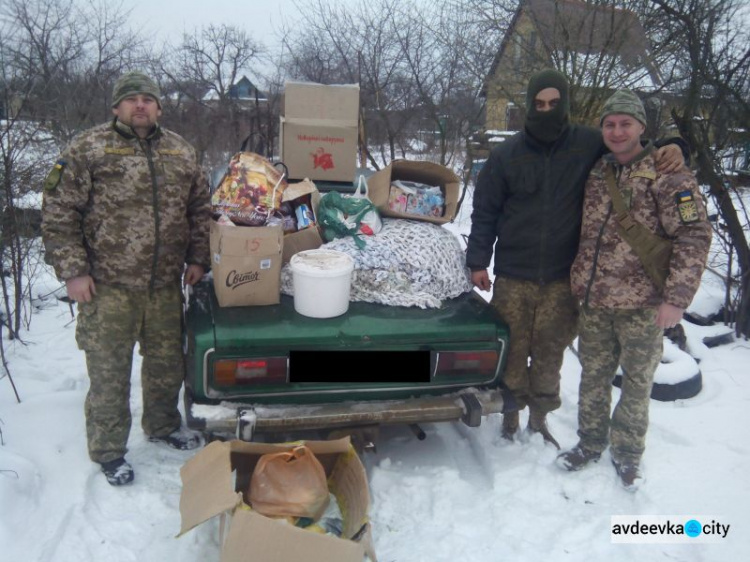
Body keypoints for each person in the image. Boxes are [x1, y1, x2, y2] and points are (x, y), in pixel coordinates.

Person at [466, 69, 686, 447]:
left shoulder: (587, 143)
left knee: (550, 355)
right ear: (529, 104)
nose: (546, 110)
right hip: (513, 276)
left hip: (562, 279)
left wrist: (675, 144)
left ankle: (539, 418)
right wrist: (478, 260)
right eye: (539, 104)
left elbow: (631, 148)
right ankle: (511, 414)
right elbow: (485, 211)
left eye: (554, 103)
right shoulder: (506, 156)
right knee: (513, 353)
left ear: (564, 104)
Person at [42, 71, 212, 486]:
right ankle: (108, 450)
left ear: (158, 107)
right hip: (107, 287)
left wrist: (198, 258)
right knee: (108, 372)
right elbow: (59, 212)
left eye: (148, 99)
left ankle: (162, 425)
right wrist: (73, 272)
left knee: (166, 366)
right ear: (116, 106)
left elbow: (200, 209)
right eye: (132, 99)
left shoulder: (179, 151)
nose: (141, 105)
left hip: (163, 286)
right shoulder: (88, 149)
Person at [556, 90, 711, 490]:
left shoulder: (671, 175)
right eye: (610, 123)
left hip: (644, 305)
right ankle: (590, 443)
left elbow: (693, 235)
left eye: (626, 123)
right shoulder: (596, 171)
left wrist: (676, 300)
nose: (617, 131)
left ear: (642, 127)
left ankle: (627, 453)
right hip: (594, 301)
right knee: (593, 376)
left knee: (637, 383)